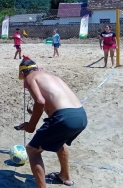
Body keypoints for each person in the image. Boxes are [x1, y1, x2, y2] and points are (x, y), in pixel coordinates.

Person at [17, 56, 87, 188]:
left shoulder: (30, 77)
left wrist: (30, 126)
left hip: (64, 118)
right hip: (81, 115)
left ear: (23, 73)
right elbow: (54, 103)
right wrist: (37, 112)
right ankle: (65, 177)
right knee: (59, 142)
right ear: (37, 68)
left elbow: (40, 102)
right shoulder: (52, 76)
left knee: (32, 150)